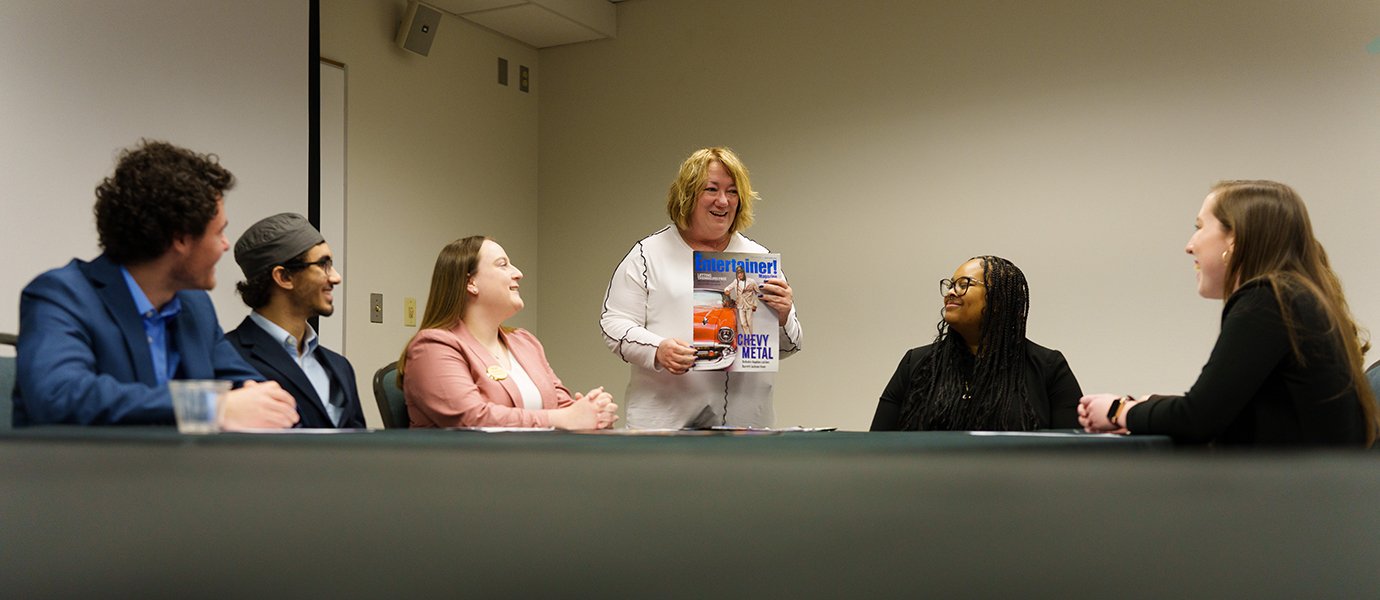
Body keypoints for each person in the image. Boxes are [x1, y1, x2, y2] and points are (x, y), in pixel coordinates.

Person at [13, 140, 298, 429]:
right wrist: (210, 408)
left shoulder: (194, 306)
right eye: (219, 232)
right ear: (181, 239)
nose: (226, 246)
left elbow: (251, 392)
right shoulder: (61, 296)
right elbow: (59, 398)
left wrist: (266, 405)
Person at [1079, 180, 1377, 446]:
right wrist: (1146, 407)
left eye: (1199, 227)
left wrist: (1119, 411)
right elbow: (1227, 411)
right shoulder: (1296, 296)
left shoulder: (1267, 298)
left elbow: (1197, 418)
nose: (1189, 246)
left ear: (1233, 238)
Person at [600, 147, 804, 429]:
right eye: (711, 189)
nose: (723, 201)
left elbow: (790, 345)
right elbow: (613, 323)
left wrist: (783, 317)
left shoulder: (758, 259)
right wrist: (658, 349)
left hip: (748, 432)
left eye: (732, 192)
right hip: (665, 430)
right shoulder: (648, 255)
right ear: (687, 195)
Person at [400, 236, 617, 430]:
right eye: (503, 265)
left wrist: (593, 413)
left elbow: (562, 406)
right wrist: (561, 418)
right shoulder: (432, 347)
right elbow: (473, 418)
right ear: (471, 283)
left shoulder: (525, 342)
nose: (518, 274)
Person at [871, 256, 1082, 431]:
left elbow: (1072, 454)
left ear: (998, 301)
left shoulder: (1047, 367)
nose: (951, 292)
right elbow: (877, 445)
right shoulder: (916, 363)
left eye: (964, 284)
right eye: (951, 285)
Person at [226, 213, 364, 428]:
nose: (336, 277)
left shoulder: (340, 367)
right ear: (284, 277)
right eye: (323, 264)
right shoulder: (229, 358)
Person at [724, 264, 760, 335]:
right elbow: (728, 287)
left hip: (749, 305)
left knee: (749, 323)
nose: (740, 275)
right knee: (743, 323)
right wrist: (726, 290)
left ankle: (751, 336)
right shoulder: (736, 281)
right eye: (738, 273)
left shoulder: (751, 281)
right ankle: (748, 337)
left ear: (744, 273)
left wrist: (755, 304)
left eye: (741, 273)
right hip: (740, 305)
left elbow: (757, 293)